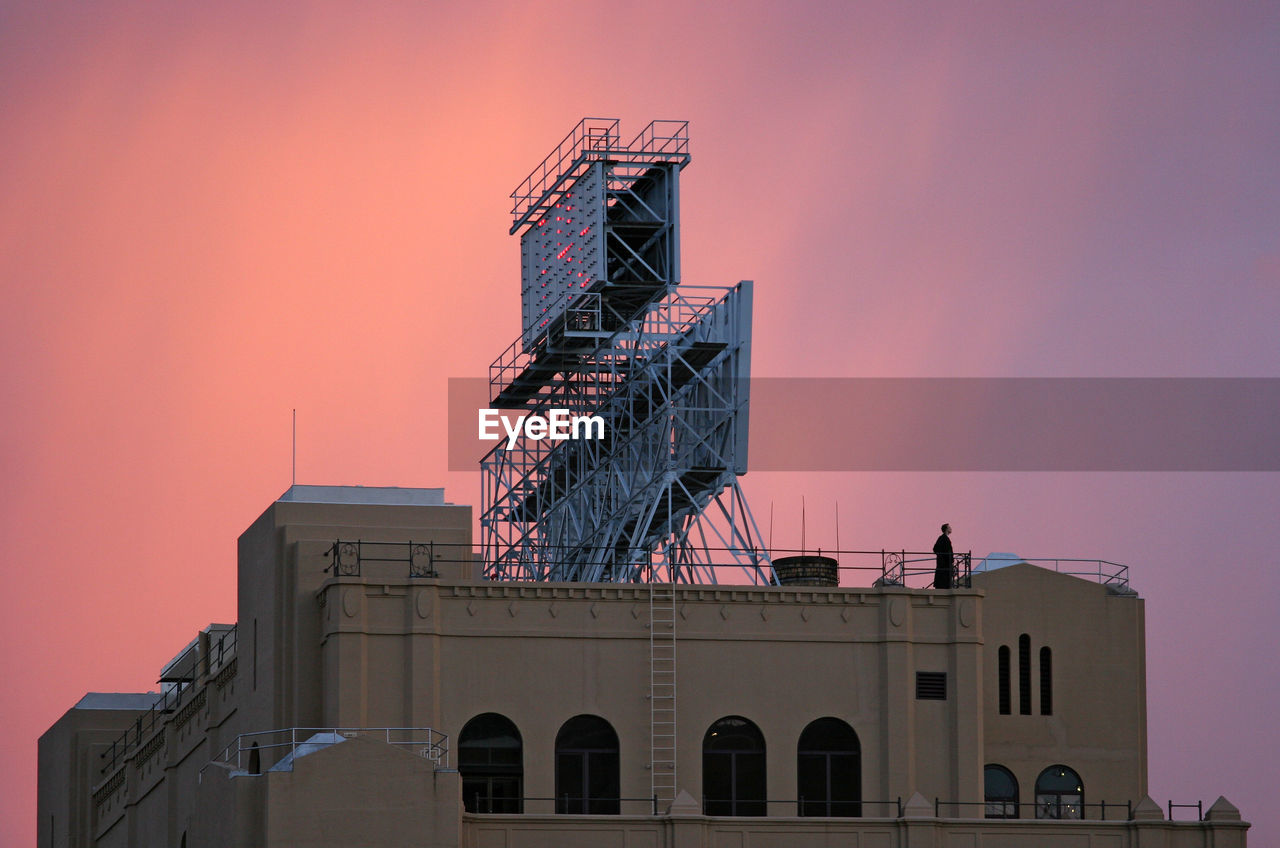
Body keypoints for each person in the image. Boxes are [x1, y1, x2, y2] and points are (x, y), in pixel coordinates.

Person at [933, 523, 953, 589]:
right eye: (949, 527)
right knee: (943, 579)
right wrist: (942, 556)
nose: (951, 528)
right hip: (944, 564)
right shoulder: (943, 538)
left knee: (945, 579)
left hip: (945, 563)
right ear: (946, 529)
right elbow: (935, 549)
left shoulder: (944, 538)